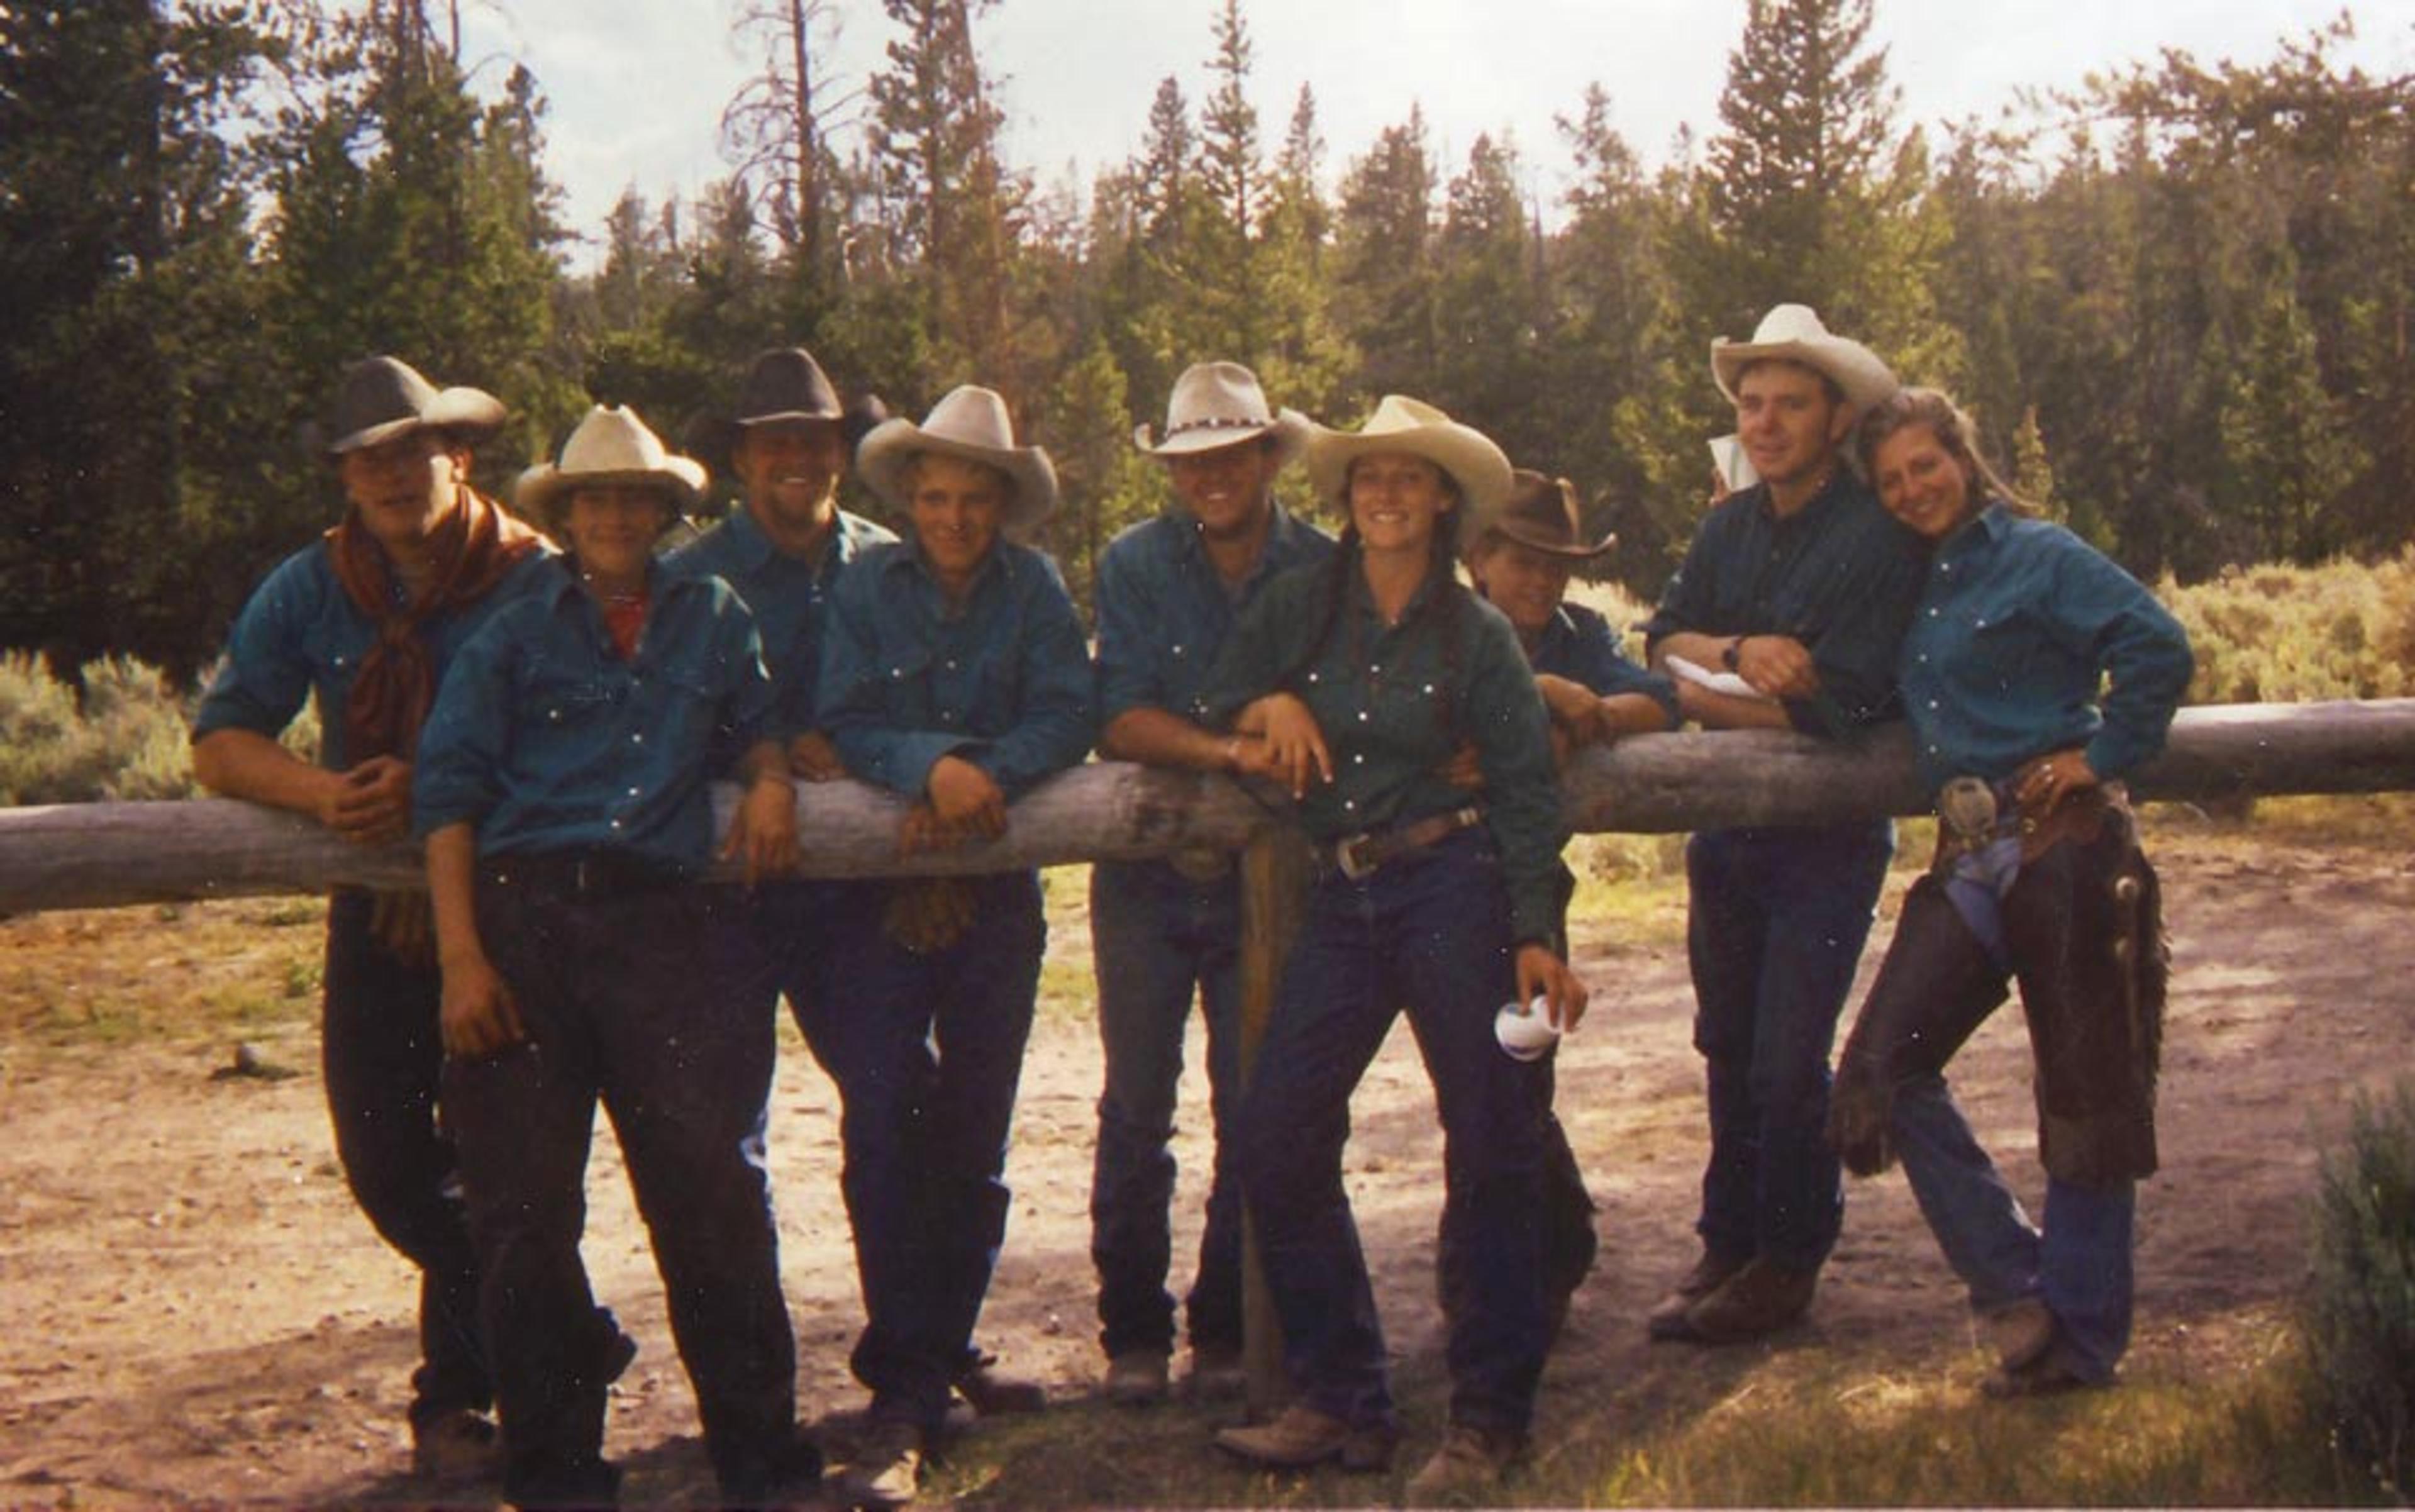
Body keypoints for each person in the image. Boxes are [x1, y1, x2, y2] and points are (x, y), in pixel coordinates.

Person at [413, 404, 819, 1508]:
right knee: (523, 1215)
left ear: (664, 509)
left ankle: (761, 1460)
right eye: (595, 498)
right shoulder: (511, 629)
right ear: (567, 511)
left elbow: (757, 726)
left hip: (670, 930)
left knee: (714, 1195)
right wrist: (462, 961)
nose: (615, 516)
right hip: (524, 926)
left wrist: (774, 781)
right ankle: (556, 1478)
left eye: (635, 498)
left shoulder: (715, 614)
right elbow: (445, 798)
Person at [1200, 396, 1589, 1504]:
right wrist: (1268, 699)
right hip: (1346, 892)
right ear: (1345, 494)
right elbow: (1214, 690)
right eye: (1369, 478)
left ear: (1443, 501)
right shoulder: (1301, 607)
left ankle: (1489, 1419)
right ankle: (1342, 1395)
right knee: (1275, 1130)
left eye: (1409, 480)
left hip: (1455, 889)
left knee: (1494, 1139)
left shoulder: (1478, 637)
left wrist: (1535, 932)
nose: (1385, 496)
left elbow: (1521, 793)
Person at [189, 355, 557, 1482]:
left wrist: (452, 792)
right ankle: (563, 1338)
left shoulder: (533, 574)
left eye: (412, 451)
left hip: (510, 899)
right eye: (369, 461)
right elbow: (222, 738)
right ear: (344, 479)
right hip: (375, 907)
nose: (394, 476)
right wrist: (326, 795)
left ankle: (458, 1403)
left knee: (496, 1161)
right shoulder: (313, 585)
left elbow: (579, 726)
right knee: (392, 1165)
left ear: (460, 455)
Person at [1826, 387, 2192, 1396]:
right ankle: (2019, 1290)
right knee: (1877, 1075)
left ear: (1964, 455)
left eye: (1925, 467)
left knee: (2085, 1089)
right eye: (1892, 479)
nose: (1911, 490)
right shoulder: (1913, 583)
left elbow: (2156, 645)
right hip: (1969, 853)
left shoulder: (2040, 554)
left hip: (2063, 846)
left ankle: (2080, 1350)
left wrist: (2104, 753)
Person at [811, 386, 1095, 1508]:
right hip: (878, 895)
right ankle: (909, 1373)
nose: (953, 518)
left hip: (995, 894)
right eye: (934, 497)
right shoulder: (863, 586)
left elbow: (1070, 710)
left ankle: (925, 1365)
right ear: (910, 498)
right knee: (883, 1118)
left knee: (976, 1127)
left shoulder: (1037, 590)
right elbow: (842, 714)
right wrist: (930, 766)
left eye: (974, 499)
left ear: (1003, 503)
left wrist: (985, 777)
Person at [1640, 304, 1928, 1345]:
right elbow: (1659, 639)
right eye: (1752, 405)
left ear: (1837, 417)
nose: (1763, 424)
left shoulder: (1874, 534)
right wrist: (1737, 649)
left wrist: (1706, 691)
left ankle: (1789, 1258)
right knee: (1725, 1043)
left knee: (1785, 1051)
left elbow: (1845, 702)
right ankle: (1730, 1239)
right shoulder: (1729, 525)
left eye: (1788, 405)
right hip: (1727, 827)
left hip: (1825, 833)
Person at [1088, 361, 1334, 1406]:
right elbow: (1119, 717)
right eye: (1193, 461)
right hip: (1146, 874)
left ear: (1270, 457)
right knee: (1138, 1106)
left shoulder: (1326, 567)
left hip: (1269, 880)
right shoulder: (1135, 564)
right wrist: (1237, 744)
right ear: (1172, 472)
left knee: (1254, 1101)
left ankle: (1227, 1324)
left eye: (1233, 455)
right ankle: (1132, 1331)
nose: (1214, 477)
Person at [1440, 467, 1684, 1335]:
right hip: (1428, 883)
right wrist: (1537, 696)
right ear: (1479, 559)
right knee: (1475, 1087)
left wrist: (1585, 718)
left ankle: (1509, 1282)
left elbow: (1661, 699)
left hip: (1528, 889)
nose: (1542, 582)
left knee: (1514, 1074)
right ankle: (1538, 1251)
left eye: (1557, 565)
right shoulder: (1441, 623)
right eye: (1523, 562)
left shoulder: (1575, 632)